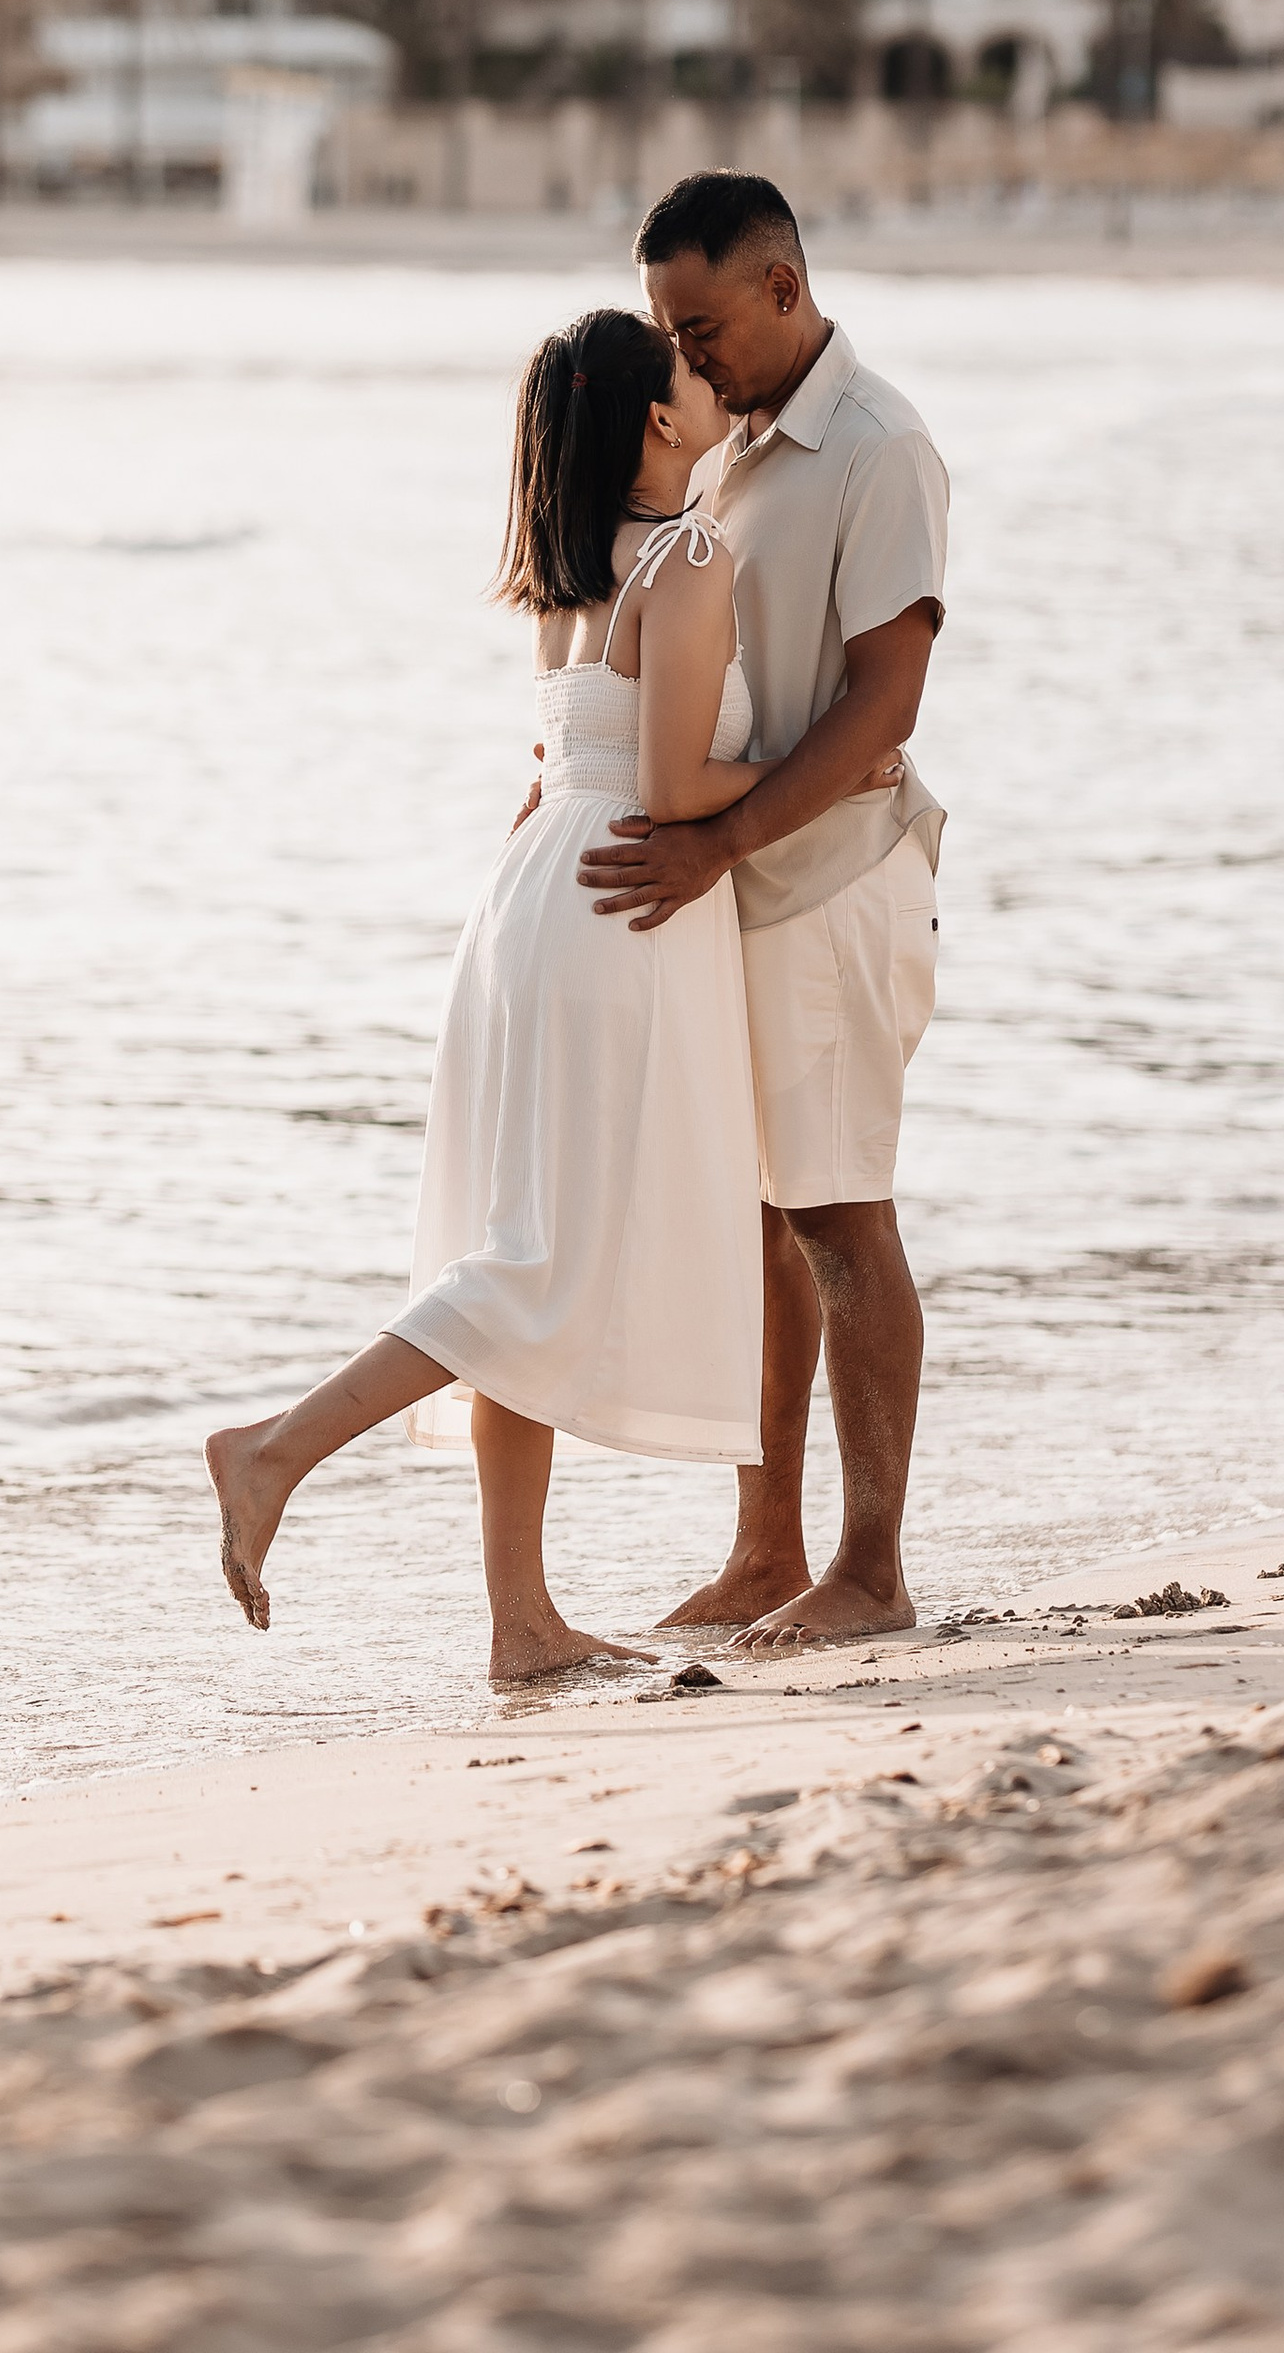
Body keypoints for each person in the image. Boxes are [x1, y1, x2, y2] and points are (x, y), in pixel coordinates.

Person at [208, 304, 835, 1683]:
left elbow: (567, 764)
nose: (709, 376)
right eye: (688, 369)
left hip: (532, 903)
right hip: (620, 911)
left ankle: (522, 1624)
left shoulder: (568, 570)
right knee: (535, 1265)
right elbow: (672, 786)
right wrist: (829, 769)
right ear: (658, 418)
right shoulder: (688, 557)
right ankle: (275, 1452)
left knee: (521, 1245)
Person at [578, 172, 949, 1653]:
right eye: (670, 331)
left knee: (841, 1215)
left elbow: (884, 702)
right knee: (762, 1225)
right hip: (730, 891)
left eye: (703, 328)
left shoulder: (879, 449)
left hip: (835, 879)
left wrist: (719, 837)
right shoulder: (721, 442)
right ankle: (765, 1547)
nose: (686, 356)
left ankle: (872, 1568)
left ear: (784, 288)